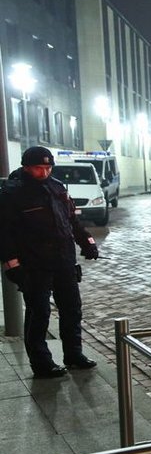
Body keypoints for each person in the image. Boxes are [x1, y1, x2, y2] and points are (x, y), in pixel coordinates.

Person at [0, 146, 99, 378]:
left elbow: (71, 221)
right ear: (26, 167)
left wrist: (88, 243)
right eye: (38, 168)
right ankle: (42, 363)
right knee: (39, 313)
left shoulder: (56, 188)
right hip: (34, 265)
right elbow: (3, 234)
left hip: (63, 261)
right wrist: (12, 265)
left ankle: (74, 355)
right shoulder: (12, 194)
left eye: (47, 167)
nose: (44, 172)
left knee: (72, 309)